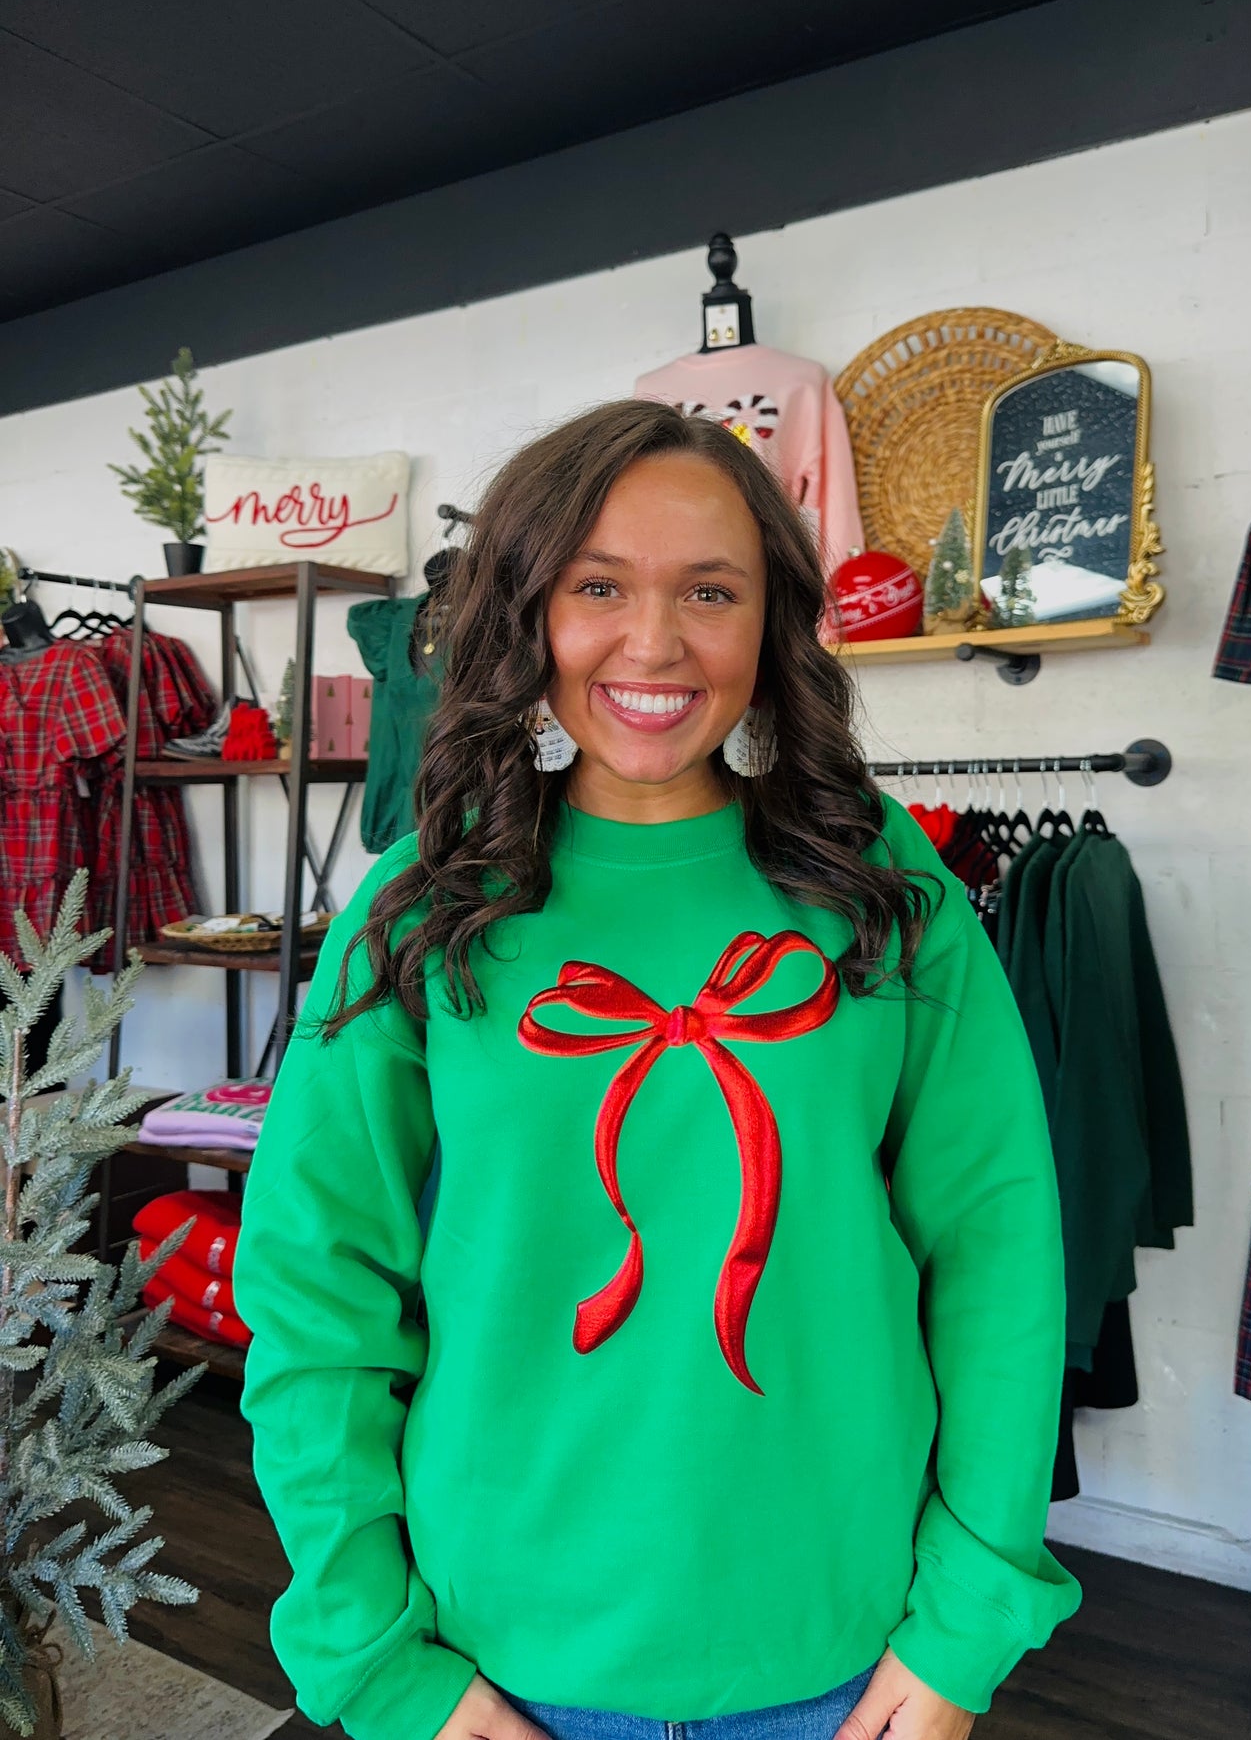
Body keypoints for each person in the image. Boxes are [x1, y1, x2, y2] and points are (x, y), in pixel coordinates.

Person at [231, 399, 1082, 1740]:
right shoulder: (420, 903)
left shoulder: (882, 883)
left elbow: (997, 1254)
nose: (655, 642)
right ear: (528, 613)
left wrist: (968, 1615)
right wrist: (374, 1650)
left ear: (770, 620)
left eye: (709, 590)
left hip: (847, 1656)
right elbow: (312, 1289)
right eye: (597, 587)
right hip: (496, 1658)